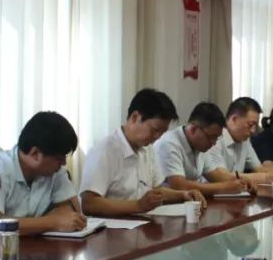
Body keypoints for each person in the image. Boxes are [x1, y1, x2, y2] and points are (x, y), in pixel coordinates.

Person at [80, 89, 205, 217]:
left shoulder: (147, 149)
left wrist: (183, 195)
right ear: (135, 117)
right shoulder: (105, 150)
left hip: (141, 223)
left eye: (162, 132)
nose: (157, 137)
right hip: (112, 226)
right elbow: (89, 203)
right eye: (155, 130)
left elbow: (156, 191)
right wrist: (137, 206)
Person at [0, 111, 86, 236]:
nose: (64, 163)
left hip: (36, 245)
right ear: (35, 153)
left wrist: (36, 224)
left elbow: (74, 212)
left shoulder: (54, 171)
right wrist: (52, 222)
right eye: (59, 158)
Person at [154, 102, 253, 196]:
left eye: (217, 138)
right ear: (193, 129)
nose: (214, 143)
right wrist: (225, 187)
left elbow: (214, 175)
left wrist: (239, 181)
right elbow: (179, 185)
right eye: (211, 137)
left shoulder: (201, 147)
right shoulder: (169, 143)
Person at [203, 97, 273, 185]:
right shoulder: (214, 138)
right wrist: (266, 177)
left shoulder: (244, 140)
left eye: (255, 125)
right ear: (234, 119)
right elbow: (222, 177)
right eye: (250, 125)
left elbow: (258, 169)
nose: (253, 130)